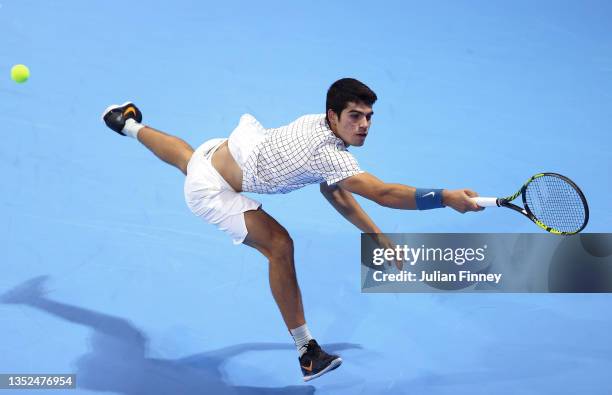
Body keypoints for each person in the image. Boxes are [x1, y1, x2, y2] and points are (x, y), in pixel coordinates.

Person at [101, 78, 482, 382]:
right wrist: (445, 196)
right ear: (333, 116)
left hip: (225, 151)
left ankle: (127, 123)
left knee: (190, 158)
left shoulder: (318, 125)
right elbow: (381, 193)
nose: (364, 124)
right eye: (354, 116)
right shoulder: (328, 153)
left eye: (368, 116)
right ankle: (307, 353)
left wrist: (376, 236)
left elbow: (333, 190)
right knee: (279, 245)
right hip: (212, 190)